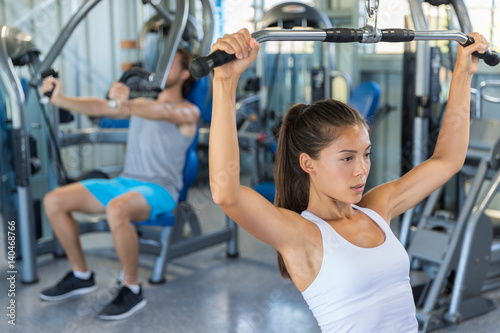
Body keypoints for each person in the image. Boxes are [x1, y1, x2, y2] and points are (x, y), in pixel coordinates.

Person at [208, 29, 489, 332]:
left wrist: (463, 72)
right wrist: (225, 82)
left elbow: (446, 161)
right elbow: (227, 194)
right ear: (308, 163)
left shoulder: (375, 209)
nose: (362, 170)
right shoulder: (303, 236)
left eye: (365, 154)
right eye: (346, 158)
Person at [39, 48, 200, 320]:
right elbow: (98, 106)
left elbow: (162, 111)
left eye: (170, 63)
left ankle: (132, 288)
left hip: (159, 190)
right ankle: (81, 275)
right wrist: (58, 98)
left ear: (186, 73)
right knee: (54, 201)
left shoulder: (188, 111)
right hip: (125, 182)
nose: (161, 67)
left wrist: (127, 104)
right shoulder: (140, 106)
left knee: (116, 208)